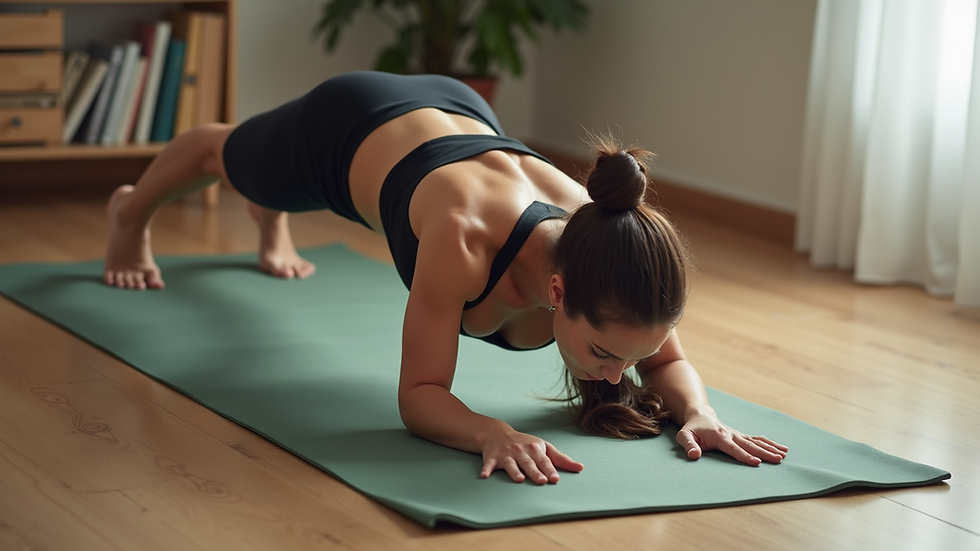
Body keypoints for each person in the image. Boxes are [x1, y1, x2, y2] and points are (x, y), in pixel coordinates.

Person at [104, 71, 788, 484]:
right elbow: (420, 394)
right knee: (228, 156)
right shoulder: (461, 241)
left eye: (627, 360)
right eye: (606, 355)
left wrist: (698, 412)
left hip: (464, 115)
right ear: (556, 292)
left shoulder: (611, 246)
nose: (619, 376)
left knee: (269, 190)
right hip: (351, 125)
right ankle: (131, 214)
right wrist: (490, 430)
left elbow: (665, 358)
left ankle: (269, 213)